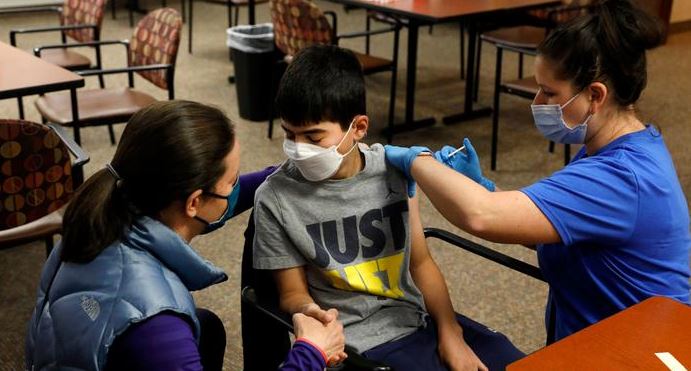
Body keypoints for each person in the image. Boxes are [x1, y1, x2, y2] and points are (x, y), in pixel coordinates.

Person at [385, 0, 690, 343]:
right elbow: (555, 223)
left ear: (595, 95)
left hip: (638, 349)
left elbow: (481, 216)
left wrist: (415, 161)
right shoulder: (613, 146)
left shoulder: (621, 177)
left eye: (549, 93)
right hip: (604, 338)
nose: (537, 104)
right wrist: (481, 185)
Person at [252, 44, 524, 371]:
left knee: (518, 362)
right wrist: (312, 316)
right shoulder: (275, 197)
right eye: (289, 135)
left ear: (359, 128)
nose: (298, 150)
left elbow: (420, 263)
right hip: (356, 341)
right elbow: (291, 293)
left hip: (416, 318)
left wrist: (451, 332)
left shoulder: (394, 168)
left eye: (313, 137)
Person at [25, 100, 346, 371]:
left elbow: (228, 198)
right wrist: (309, 353)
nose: (236, 187)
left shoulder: (105, 208)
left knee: (205, 327)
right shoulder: (157, 326)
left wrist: (286, 172)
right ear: (194, 202)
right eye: (231, 180)